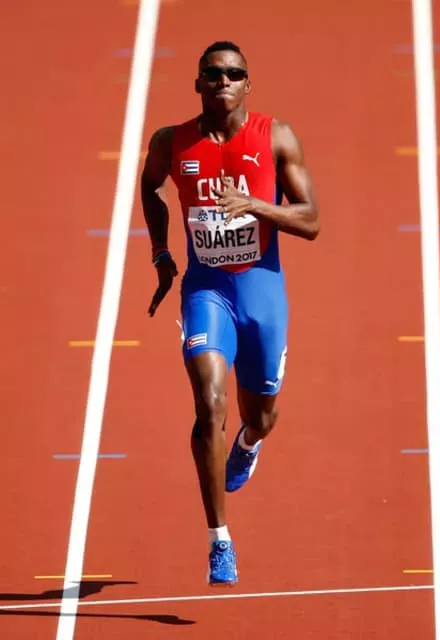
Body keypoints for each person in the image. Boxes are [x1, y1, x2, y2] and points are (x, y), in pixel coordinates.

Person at [141, 40, 320, 587]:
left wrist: (255, 206)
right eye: (213, 73)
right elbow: (150, 187)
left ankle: (247, 444)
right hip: (207, 289)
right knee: (208, 401)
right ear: (198, 83)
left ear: (248, 84)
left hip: (260, 290)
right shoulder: (172, 142)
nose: (224, 80)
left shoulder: (276, 137)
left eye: (234, 73)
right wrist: (162, 254)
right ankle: (219, 539)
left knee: (260, 414)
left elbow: (311, 220)